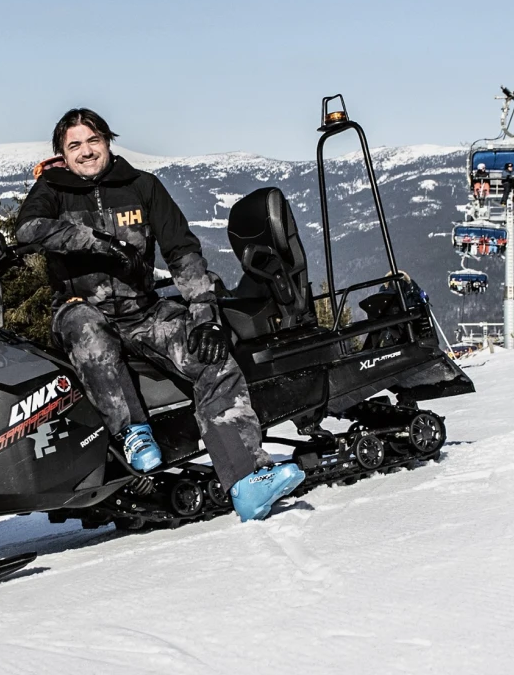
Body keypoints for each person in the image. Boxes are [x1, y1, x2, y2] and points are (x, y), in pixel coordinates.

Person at [16, 108, 305, 522]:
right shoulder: (53, 189)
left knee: (211, 356)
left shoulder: (141, 187)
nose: (85, 151)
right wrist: (98, 243)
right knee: (88, 331)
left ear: (107, 141)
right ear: (62, 153)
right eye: (74, 145)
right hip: (79, 310)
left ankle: (246, 480)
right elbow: (27, 230)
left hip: (142, 310)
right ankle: (132, 432)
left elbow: (182, 252)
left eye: (92, 140)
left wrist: (204, 315)